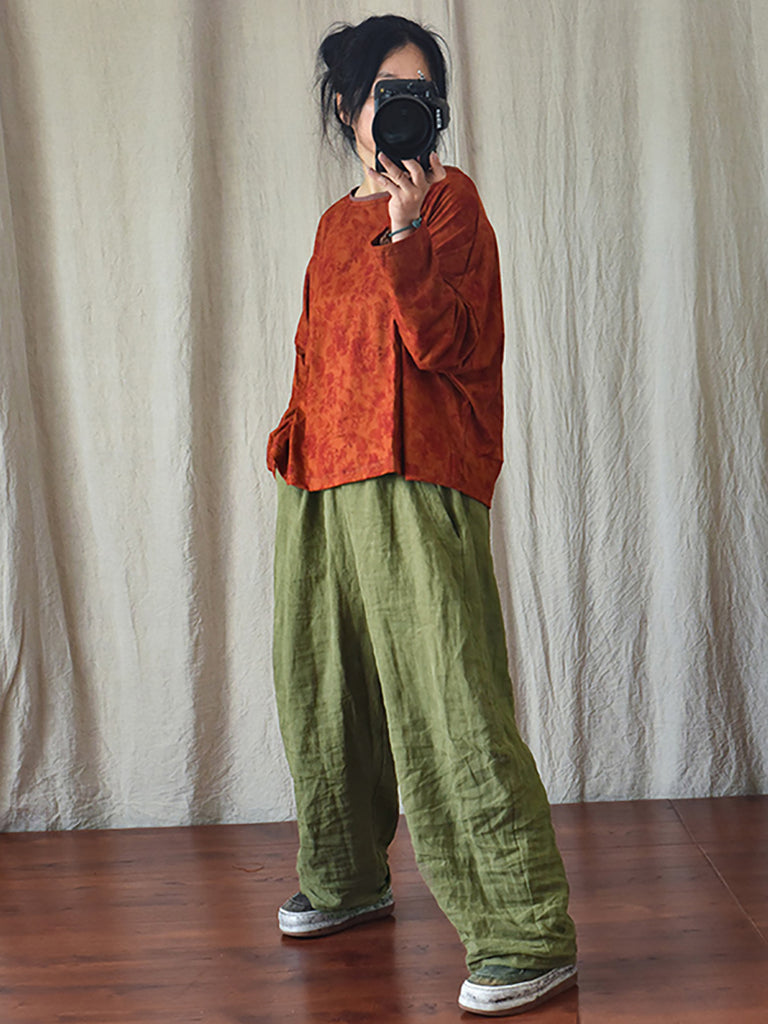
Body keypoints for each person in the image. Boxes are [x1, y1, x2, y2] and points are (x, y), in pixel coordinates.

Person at [266, 14, 577, 1017]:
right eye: (385, 94)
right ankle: (348, 877)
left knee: (449, 698)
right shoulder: (329, 227)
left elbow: (451, 348)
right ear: (349, 110)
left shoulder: (452, 204)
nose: (403, 111)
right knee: (323, 689)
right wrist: (293, 438)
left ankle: (525, 931)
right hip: (323, 480)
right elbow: (317, 349)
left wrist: (405, 233)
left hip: (417, 469)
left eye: (421, 96)